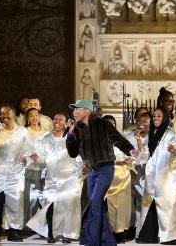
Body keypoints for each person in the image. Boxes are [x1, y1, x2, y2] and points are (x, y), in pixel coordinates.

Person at [65, 99, 136, 246]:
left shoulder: (103, 124)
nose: (75, 112)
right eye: (74, 109)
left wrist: (130, 149)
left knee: (95, 202)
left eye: (78, 109)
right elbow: (72, 153)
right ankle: (107, 241)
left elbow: (118, 139)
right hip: (91, 172)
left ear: (87, 111)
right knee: (96, 204)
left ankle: (91, 241)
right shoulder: (77, 128)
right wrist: (70, 136)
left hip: (105, 169)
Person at [27, 113, 84, 243]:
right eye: (55, 118)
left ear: (66, 123)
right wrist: (36, 158)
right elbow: (42, 161)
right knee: (50, 204)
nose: (57, 121)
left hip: (70, 177)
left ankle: (67, 234)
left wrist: (81, 170)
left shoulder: (72, 138)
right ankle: (51, 233)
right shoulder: (45, 139)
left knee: (69, 207)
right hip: (52, 178)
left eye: (60, 119)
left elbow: (79, 156)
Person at [136, 107, 176, 245]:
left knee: (167, 204)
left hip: (167, 175)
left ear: (164, 119)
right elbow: (145, 153)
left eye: (159, 116)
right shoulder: (152, 133)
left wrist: (174, 150)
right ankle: (148, 235)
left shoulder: (170, 133)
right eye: (154, 116)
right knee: (150, 203)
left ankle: (171, 236)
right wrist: (138, 141)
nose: (156, 119)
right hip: (153, 175)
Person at [0, 103, 31, 242]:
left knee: (15, 202)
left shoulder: (23, 131)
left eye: (7, 113)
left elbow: (30, 151)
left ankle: (14, 231)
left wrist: (26, 159)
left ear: (14, 115)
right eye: (2, 113)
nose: (5, 116)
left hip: (16, 173)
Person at [101, 115, 134, 243]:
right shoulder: (98, 141)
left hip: (122, 176)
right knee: (105, 206)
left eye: (112, 124)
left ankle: (119, 232)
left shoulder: (121, 139)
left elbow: (132, 154)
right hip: (106, 174)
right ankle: (106, 231)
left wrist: (130, 159)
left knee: (121, 206)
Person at [23, 107, 48, 224]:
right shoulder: (23, 132)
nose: (34, 117)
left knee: (42, 198)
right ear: (27, 118)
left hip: (43, 170)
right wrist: (29, 157)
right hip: (28, 170)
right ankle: (27, 224)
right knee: (29, 198)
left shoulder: (46, 133)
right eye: (31, 115)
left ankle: (40, 224)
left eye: (36, 115)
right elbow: (20, 150)